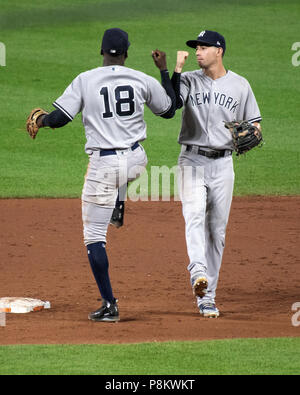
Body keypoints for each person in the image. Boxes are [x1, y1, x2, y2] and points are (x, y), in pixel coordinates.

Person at [30, 28, 176, 322]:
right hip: (137, 159)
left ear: (102, 51)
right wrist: (163, 71)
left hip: (105, 167)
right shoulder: (140, 78)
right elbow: (170, 110)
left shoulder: (86, 80)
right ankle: (118, 205)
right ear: (126, 53)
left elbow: (60, 119)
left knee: (94, 239)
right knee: (125, 172)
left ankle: (109, 305)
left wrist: (41, 120)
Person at [171, 30, 262, 318]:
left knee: (217, 232)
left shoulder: (240, 85)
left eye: (203, 47)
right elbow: (172, 104)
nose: (198, 52)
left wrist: (254, 133)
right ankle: (198, 270)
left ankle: (207, 297)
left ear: (219, 51)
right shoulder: (188, 80)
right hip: (192, 160)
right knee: (194, 215)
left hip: (223, 165)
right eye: (196, 48)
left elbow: (255, 125)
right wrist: (174, 70)